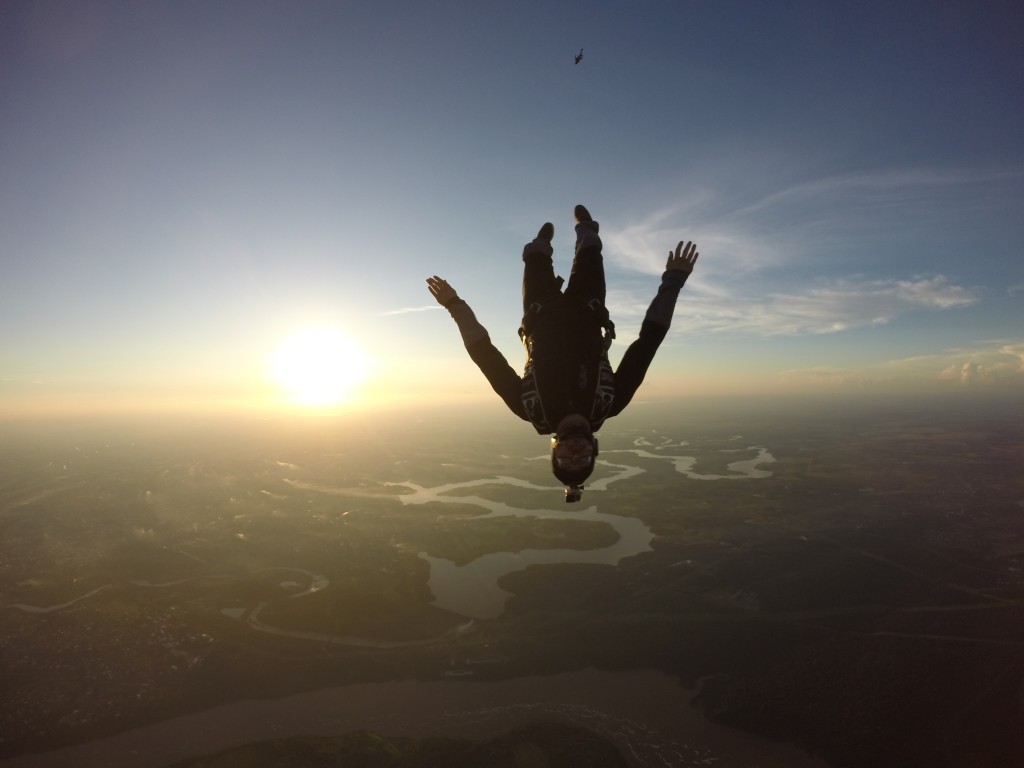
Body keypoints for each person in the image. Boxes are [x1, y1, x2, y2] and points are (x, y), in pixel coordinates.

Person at [426, 204, 698, 502]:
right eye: (583, 460)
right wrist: (673, 281)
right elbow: (647, 343)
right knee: (590, 247)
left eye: (566, 459)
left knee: (535, 255)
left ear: (554, 450)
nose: (576, 453)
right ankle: (585, 228)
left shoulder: (530, 408)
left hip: (539, 312)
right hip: (588, 307)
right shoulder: (609, 402)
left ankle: (542, 243)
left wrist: (454, 305)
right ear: (594, 451)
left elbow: (485, 355)